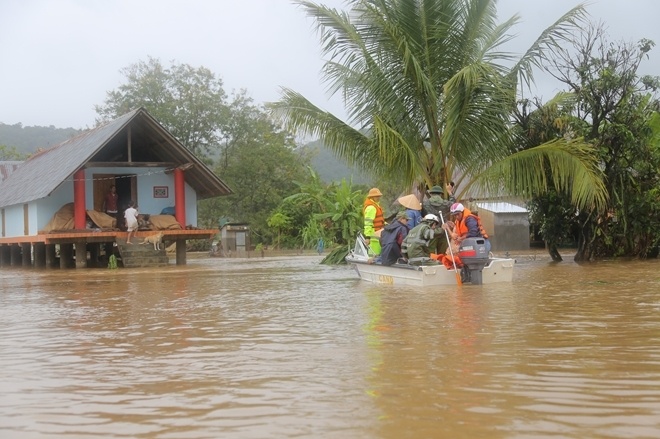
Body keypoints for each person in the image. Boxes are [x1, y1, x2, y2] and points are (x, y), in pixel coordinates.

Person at [422, 185, 453, 254]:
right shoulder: (445, 203)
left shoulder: (425, 204)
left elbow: (422, 216)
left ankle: (431, 263)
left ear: (431, 193)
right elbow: (454, 204)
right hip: (443, 229)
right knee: (442, 254)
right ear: (441, 194)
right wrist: (450, 192)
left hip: (431, 230)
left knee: (430, 253)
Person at [363, 187, 385, 255]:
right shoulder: (371, 208)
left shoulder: (375, 206)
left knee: (377, 253)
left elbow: (380, 220)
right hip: (373, 236)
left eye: (379, 196)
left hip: (378, 234)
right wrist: (367, 237)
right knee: (374, 254)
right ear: (372, 197)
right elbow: (368, 223)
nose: (378, 198)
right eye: (377, 196)